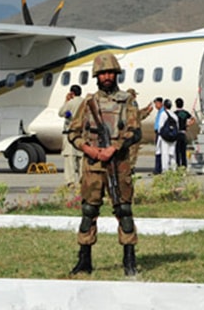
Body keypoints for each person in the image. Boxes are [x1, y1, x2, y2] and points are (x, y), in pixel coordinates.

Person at [67, 52, 142, 276]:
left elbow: (135, 132)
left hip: (118, 165)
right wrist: (88, 149)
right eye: (103, 73)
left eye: (110, 72)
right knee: (89, 211)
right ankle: (84, 260)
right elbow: (73, 133)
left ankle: (129, 260)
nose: (107, 76)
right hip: (93, 166)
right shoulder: (88, 103)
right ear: (96, 76)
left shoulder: (127, 102)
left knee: (124, 211)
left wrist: (114, 148)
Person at [59, 84, 84, 186]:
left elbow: (61, 113)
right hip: (82, 133)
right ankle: (83, 179)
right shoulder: (85, 102)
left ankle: (71, 181)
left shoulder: (71, 103)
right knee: (81, 157)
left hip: (70, 133)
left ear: (72, 93)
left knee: (70, 157)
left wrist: (66, 100)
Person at [125, 88, 152, 170]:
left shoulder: (126, 104)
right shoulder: (131, 104)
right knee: (132, 151)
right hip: (133, 130)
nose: (136, 96)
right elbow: (137, 116)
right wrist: (147, 111)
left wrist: (146, 109)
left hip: (130, 130)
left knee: (130, 151)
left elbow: (137, 114)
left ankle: (129, 167)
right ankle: (130, 168)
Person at [156, 99, 179, 173]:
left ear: (164, 106)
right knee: (172, 153)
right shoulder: (174, 115)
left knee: (165, 153)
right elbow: (177, 127)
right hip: (173, 137)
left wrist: (161, 134)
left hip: (165, 137)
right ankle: (174, 169)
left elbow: (160, 126)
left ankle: (165, 169)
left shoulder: (163, 114)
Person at [173, 97, 195, 168]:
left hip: (177, 133)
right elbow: (193, 119)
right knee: (183, 151)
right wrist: (188, 125)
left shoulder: (174, 114)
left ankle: (178, 165)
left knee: (177, 151)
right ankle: (184, 165)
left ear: (176, 104)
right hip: (183, 133)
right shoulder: (185, 113)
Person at [151, 97, 164, 174]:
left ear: (160, 103)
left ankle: (158, 169)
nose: (155, 105)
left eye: (156, 103)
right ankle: (158, 168)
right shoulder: (159, 112)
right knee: (158, 151)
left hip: (160, 134)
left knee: (159, 152)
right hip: (158, 133)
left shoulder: (162, 112)